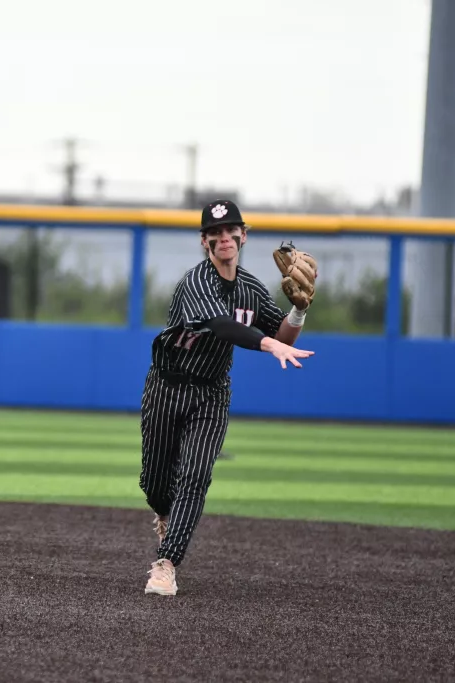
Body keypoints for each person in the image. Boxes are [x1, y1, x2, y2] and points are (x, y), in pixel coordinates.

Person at [140, 198, 316, 597]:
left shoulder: (250, 288)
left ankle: (166, 564)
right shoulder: (196, 282)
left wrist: (298, 313)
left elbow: (282, 334)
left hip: (211, 393)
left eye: (230, 231)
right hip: (166, 387)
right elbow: (222, 325)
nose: (224, 238)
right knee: (154, 484)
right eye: (215, 232)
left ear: (243, 236)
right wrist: (270, 345)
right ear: (204, 241)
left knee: (196, 476)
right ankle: (165, 513)